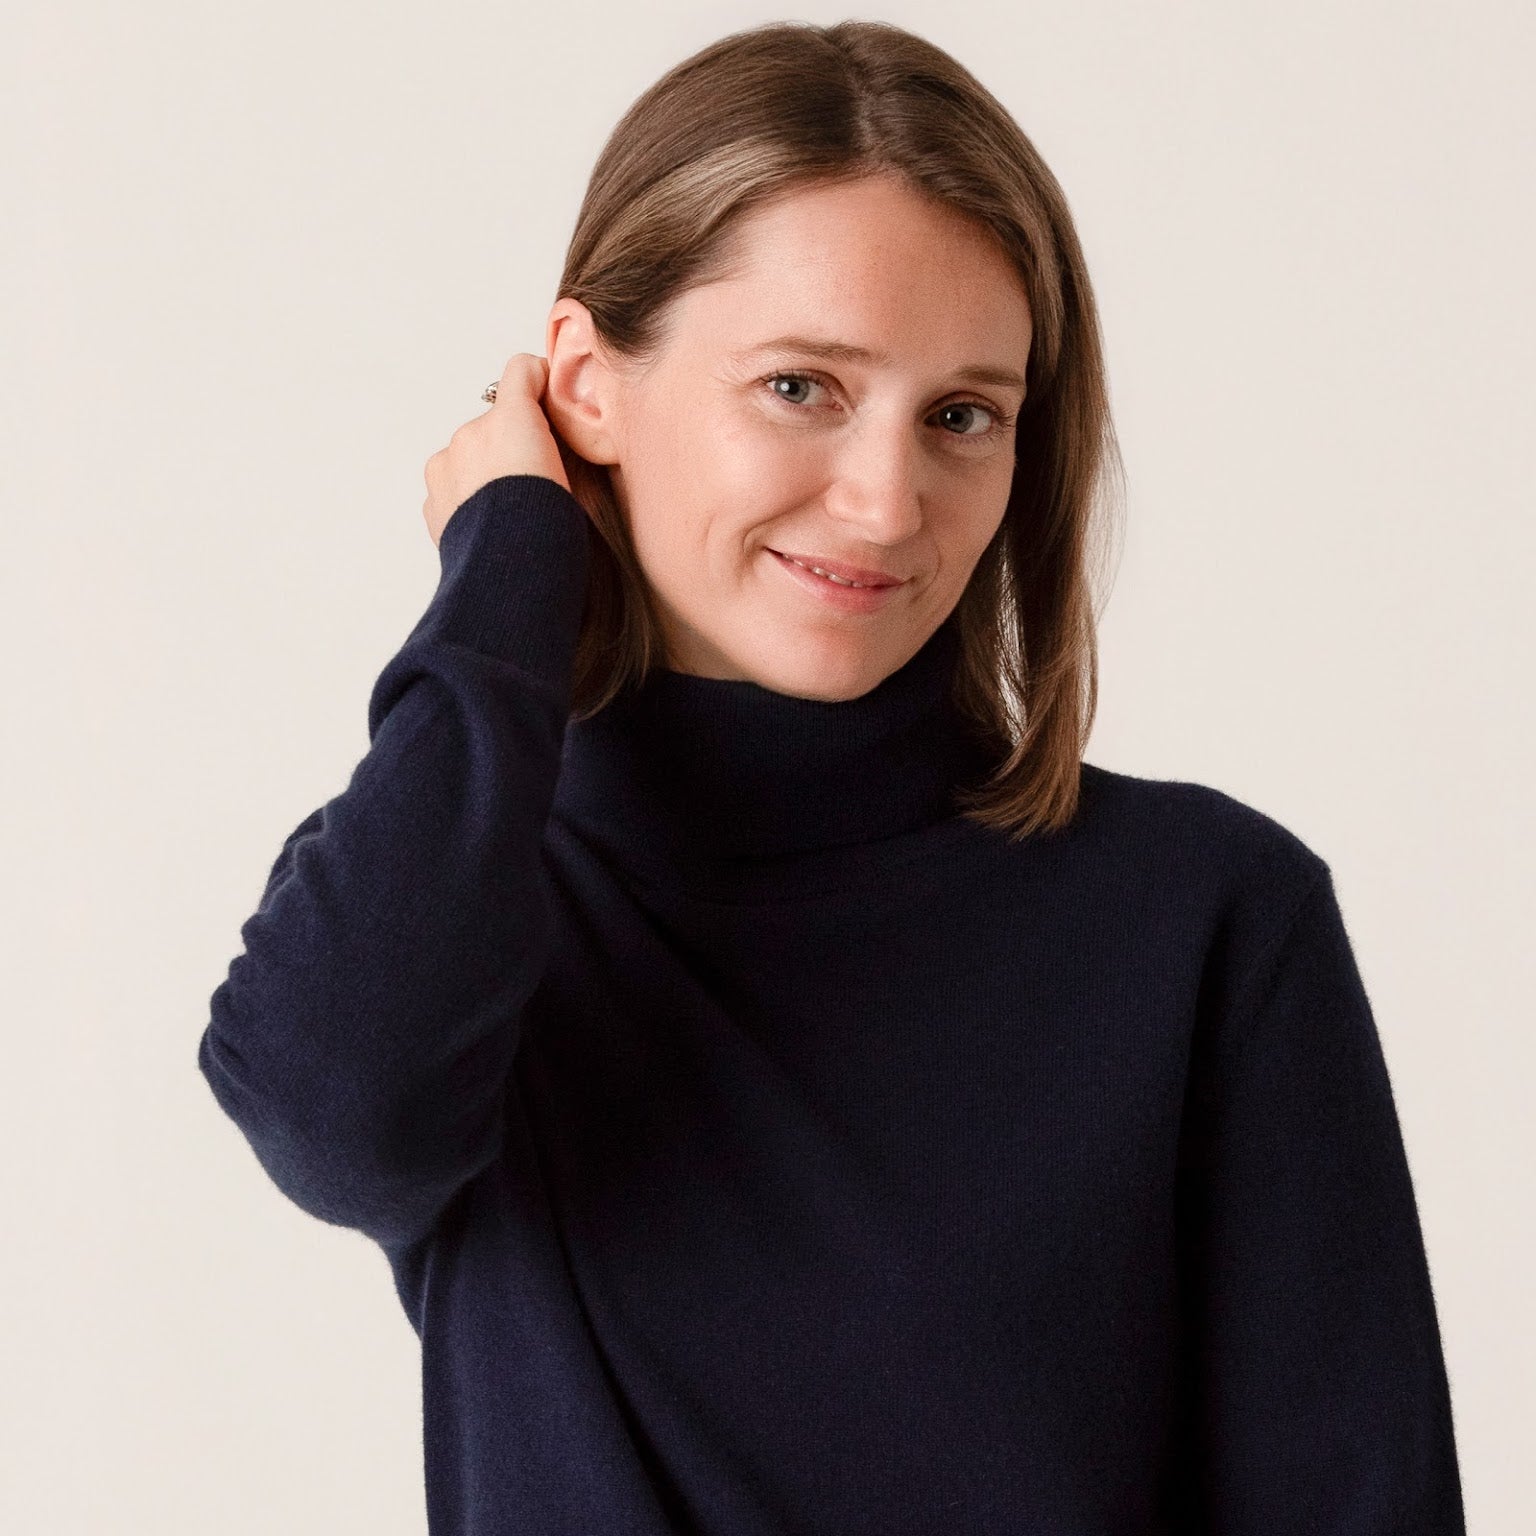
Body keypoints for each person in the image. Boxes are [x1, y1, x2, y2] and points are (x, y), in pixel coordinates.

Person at [197, 19, 1466, 1535]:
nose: (884, 502)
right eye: (801, 386)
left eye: (962, 416)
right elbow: (337, 1112)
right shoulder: (475, 899)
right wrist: (513, 557)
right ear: (585, 386)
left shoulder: (1206, 918)